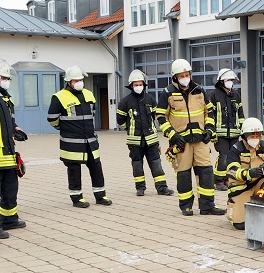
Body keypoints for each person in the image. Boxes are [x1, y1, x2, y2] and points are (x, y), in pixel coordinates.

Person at [157, 59, 225, 216]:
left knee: (206, 173)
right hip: (182, 143)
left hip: (200, 140)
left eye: (187, 74)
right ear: (175, 77)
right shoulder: (167, 93)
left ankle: (207, 206)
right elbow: (160, 116)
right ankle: (186, 206)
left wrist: (209, 129)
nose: (185, 77)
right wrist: (172, 136)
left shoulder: (199, 90)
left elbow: (210, 111)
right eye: (182, 75)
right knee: (184, 175)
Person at [47, 65, 112, 208]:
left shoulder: (89, 94)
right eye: (76, 80)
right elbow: (52, 118)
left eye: (81, 79)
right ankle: (77, 198)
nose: (79, 82)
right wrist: (64, 128)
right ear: (69, 82)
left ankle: (100, 196)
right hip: (71, 142)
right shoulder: (59, 97)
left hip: (90, 140)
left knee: (96, 167)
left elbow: (92, 115)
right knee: (74, 170)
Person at [0, 58, 28, 238]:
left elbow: (6, 119)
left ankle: (9, 219)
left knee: (10, 187)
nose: (5, 81)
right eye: (3, 77)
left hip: (7, 151)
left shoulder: (4, 95)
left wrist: (14, 128)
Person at [116, 69, 174, 197]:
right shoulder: (125, 102)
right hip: (135, 140)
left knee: (156, 164)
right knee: (137, 165)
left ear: (144, 85)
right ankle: (140, 188)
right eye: (136, 85)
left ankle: (162, 188)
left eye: (140, 84)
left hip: (151, 139)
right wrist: (130, 128)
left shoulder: (150, 99)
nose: (138, 87)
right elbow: (120, 120)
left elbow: (156, 116)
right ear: (131, 86)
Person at [225, 117, 264, 230]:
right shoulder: (236, 149)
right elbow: (232, 171)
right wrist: (249, 173)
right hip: (241, 187)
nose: (255, 138)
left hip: (259, 184)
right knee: (240, 225)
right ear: (244, 135)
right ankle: (233, 205)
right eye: (252, 135)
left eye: (258, 135)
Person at [209, 68, 244, 191]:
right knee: (223, 156)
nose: (231, 82)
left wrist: (243, 131)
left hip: (234, 133)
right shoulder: (213, 95)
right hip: (220, 133)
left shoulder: (236, 95)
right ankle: (218, 181)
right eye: (228, 80)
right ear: (222, 81)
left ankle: (228, 179)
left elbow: (240, 114)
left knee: (232, 157)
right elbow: (210, 114)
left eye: (232, 80)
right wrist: (212, 131)